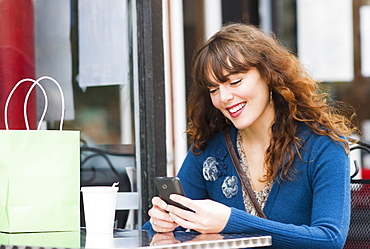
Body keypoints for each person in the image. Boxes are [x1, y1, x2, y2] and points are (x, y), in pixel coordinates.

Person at [143, 23, 358, 248]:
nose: (224, 97)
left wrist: (230, 221)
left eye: (235, 82)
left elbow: (330, 239)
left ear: (269, 75)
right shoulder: (210, 148)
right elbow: (151, 234)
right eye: (213, 90)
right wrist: (162, 224)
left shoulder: (323, 145)